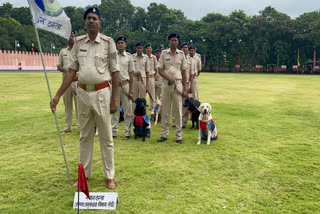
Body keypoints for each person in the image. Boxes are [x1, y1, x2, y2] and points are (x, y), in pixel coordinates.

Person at [50, 7, 119, 190]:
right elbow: (71, 71)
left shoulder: (108, 42)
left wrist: (114, 100)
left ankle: (109, 176)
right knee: (84, 136)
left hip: (102, 93)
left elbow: (115, 73)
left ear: (99, 22)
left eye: (94, 18)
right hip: (82, 94)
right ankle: (84, 175)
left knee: (106, 137)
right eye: (88, 18)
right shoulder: (79, 43)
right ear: (85, 22)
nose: (91, 21)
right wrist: (57, 95)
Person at [157, 33, 187, 144]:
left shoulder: (182, 54)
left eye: (175, 40)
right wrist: (169, 78)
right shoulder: (164, 54)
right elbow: (159, 70)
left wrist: (185, 88)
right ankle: (164, 135)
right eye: (172, 40)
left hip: (178, 84)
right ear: (169, 42)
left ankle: (179, 136)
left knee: (178, 110)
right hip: (165, 84)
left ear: (178, 42)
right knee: (165, 110)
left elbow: (184, 71)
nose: (174, 41)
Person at [111, 35, 134, 140]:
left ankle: (127, 132)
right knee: (114, 109)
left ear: (125, 44)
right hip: (114, 85)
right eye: (118, 42)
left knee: (127, 110)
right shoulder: (112, 55)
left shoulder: (129, 57)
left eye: (122, 43)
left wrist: (131, 90)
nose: (120, 44)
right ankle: (113, 131)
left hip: (125, 84)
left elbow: (131, 74)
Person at [57, 31, 79, 133]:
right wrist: (66, 70)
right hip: (66, 82)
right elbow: (58, 66)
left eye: (73, 36)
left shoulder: (79, 51)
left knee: (79, 105)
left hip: (76, 81)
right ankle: (68, 127)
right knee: (67, 105)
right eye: (69, 36)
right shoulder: (63, 52)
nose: (71, 38)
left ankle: (80, 126)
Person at [180, 42, 195, 129]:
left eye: (186, 47)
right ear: (181, 49)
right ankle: (176, 121)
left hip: (187, 83)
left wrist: (191, 86)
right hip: (179, 83)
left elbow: (192, 74)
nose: (185, 49)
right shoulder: (177, 58)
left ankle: (183, 122)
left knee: (186, 103)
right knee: (178, 103)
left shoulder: (191, 60)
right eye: (183, 47)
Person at [132, 41, 149, 110]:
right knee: (134, 99)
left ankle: (143, 116)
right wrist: (135, 73)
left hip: (143, 81)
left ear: (142, 49)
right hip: (134, 80)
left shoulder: (146, 58)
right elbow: (130, 71)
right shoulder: (132, 57)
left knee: (143, 99)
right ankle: (134, 116)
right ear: (136, 48)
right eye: (138, 48)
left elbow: (147, 72)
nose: (139, 49)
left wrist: (147, 85)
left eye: (141, 48)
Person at [145, 43, 157, 110]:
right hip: (144, 78)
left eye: (150, 48)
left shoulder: (154, 57)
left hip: (151, 77)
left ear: (151, 49)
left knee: (152, 94)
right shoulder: (144, 57)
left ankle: (153, 109)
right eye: (147, 48)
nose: (149, 49)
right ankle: (142, 109)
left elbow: (156, 69)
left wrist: (152, 76)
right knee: (143, 94)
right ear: (146, 49)